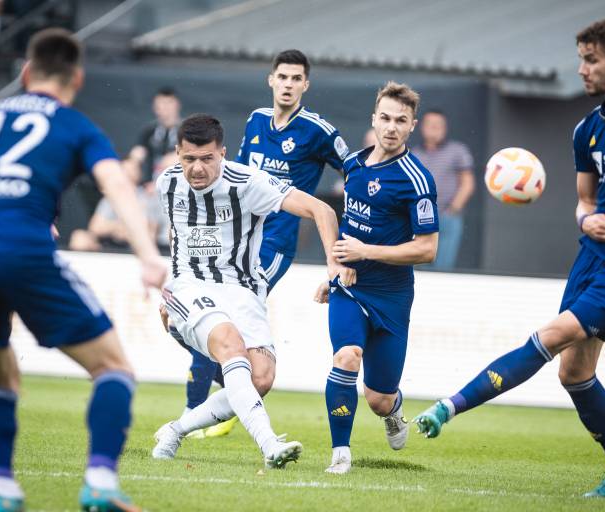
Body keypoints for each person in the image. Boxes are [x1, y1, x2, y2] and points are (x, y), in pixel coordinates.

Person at [413, 18, 605, 499]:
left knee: (554, 335)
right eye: (580, 59)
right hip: (593, 259)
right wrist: (586, 221)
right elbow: (584, 201)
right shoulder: (587, 129)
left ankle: (448, 406)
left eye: (590, 60)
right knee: (573, 372)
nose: (581, 69)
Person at [0, 28, 167, 511]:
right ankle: (100, 482)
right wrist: (148, 255)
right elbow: (115, 183)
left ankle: (3, 489)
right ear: (77, 78)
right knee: (113, 368)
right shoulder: (74, 126)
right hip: (23, 252)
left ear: (26, 73)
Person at [150, 113, 354, 467]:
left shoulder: (247, 183)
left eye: (207, 158)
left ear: (223, 153)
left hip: (243, 290)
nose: (197, 168)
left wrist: (334, 265)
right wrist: (173, 295)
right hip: (190, 287)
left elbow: (322, 210)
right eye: (189, 158)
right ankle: (270, 445)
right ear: (178, 154)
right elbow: (177, 233)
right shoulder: (166, 183)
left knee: (260, 378)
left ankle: (176, 429)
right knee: (230, 344)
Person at [173, 49, 350, 438]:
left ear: (306, 85)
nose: (288, 84)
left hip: (271, 247)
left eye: (295, 78)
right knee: (211, 318)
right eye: (282, 77)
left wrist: (352, 227)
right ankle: (229, 395)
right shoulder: (256, 120)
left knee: (218, 313)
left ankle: (197, 410)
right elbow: (232, 175)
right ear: (271, 80)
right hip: (234, 239)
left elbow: (354, 170)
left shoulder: (317, 130)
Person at [314, 82, 439, 474]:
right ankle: (340, 452)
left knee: (378, 398)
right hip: (351, 288)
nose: (391, 127)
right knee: (346, 356)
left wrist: (364, 252)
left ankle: (393, 410)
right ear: (373, 119)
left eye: (401, 120)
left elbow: (427, 249)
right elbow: (349, 226)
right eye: (385, 118)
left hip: (392, 297)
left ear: (412, 125)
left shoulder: (417, 180)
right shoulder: (353, 163)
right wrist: (335, 269)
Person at [412, 109, 475, 271]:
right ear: (422, 127)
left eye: (438, 125)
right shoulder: (413, 155)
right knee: (419, 268)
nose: (434, 128)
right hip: (420, 220)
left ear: (445, 128)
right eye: (430, 124)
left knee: (443, 269)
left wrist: (453, 210)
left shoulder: (458, 151)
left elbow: (467, 183)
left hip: (447, 218)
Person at [126, 86, 181, 187]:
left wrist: (180, 157)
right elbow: (138, 152)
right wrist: (132, 163)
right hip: (150, 185)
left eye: (168, 103)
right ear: (155, 107)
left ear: (177, 105)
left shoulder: (186, 130)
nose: (165, 108)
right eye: (160, 104)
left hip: (177, 185)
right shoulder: (149, 131)